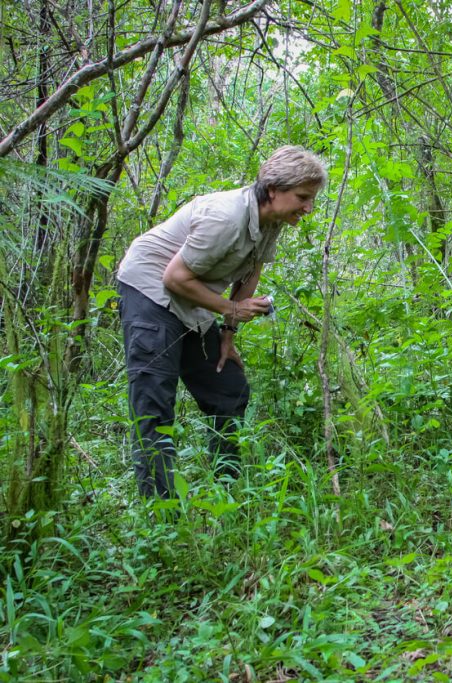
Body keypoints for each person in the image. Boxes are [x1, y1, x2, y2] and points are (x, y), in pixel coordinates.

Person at [116, 145, 326, 498]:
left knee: (229, 388)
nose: (308, 208)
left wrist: (228, 334)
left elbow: (250, 274)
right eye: (303, 197)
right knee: (154, 405)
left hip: (192, 299)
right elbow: (174, 278)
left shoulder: (272, 220)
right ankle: (161, 516)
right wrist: (229, 309)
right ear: (273, 189)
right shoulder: (226, 217)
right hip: (150, 292)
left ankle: (227, 493)